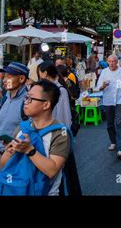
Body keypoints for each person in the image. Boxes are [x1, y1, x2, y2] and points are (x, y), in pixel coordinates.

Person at [0, 80, 71, 196]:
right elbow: (2, 166)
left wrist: (29, 150)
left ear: (46, 105)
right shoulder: (22, 127)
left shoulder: (59, 133)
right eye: (26, 97)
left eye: (30, 99)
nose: (25, 102)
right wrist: (9, 152)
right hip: (17, 190)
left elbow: (52, 171)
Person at [0, 62, 29, 195]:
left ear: (22, 79)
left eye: (9, 76)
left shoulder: (28, 101)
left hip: (15, 156)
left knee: (11, 190)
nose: (4, 79)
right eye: (4, 76)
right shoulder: (5, 97)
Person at [43, 63, 82, 196]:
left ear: (45, 74)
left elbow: (65, 117)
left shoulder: (61, 91)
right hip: (53, 135)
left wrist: (64, 137)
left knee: (60, 172)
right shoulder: (50, 90)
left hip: (59, 136)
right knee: (60, 173)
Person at [96, 55, 121, 160]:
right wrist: (103, 86)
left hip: (120, 101)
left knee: (119, 123)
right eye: (109, 61)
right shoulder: (104, 72)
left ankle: (120, 148)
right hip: (108, 101)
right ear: (107, 62)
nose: (111, 63)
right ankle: (113, 141)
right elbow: (98, 87)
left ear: (117, 62)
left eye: (113, 61)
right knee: (110, 124)